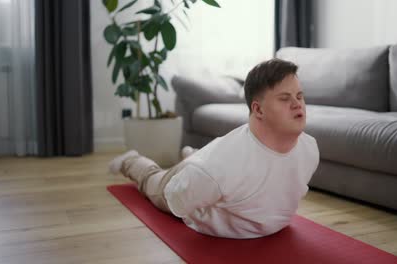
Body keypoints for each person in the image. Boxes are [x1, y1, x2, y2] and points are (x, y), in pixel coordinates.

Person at [109, 58, 320, 239]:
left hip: (209, 172)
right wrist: (196, 176)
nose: (297, 104)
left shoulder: (310, 150)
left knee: (209, 172)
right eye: (285, 98)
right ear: (258, 110)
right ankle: (131, 160)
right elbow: (176, 202)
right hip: (193, 180)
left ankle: (194, 156)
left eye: (299, 96)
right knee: (154, 182)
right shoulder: (221, 167)